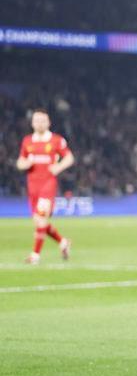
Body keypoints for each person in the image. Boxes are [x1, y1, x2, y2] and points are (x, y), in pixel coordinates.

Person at [17, 109, 74, 265]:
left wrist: (59, 167)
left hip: (48, 185)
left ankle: (35, 255)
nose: (40, 123)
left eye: (43, 120)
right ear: (32, 123)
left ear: (48, 123)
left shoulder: (56, 140)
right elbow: (20, 162)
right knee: (39, 221)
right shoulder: (27, 141)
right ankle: (63, 242)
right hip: (32, 186)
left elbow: (69, 157)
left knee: (41, 218)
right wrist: (25, 164)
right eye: (37, 120)